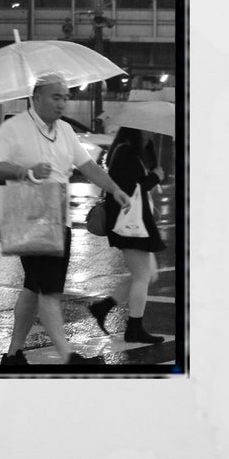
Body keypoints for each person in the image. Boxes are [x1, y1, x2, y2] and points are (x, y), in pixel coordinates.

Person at [0, 74, 133, 367]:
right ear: (37, 97)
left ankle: (13, 355)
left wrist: (114, 189)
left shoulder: (65, 130)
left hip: (58, 216)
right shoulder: (14, 128)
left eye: (65, 97)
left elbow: (88, 166)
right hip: (26, 213)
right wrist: (25, 172)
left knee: (34, 287)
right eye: (56, 97)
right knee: (49, 290)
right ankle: (69, 358)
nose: (63, 103)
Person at [87, 127, 167, 345]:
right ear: (137, 130)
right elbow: (130, 189)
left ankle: (104, 307)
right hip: (130, 225)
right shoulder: (125, 152)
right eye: (148, 131)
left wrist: (151, 166)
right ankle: (134, 328)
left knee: (148, 274)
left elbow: (136, 186)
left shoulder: (133, 151)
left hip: (135, 223)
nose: (151, 134)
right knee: (143, 276)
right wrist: (155, 177)